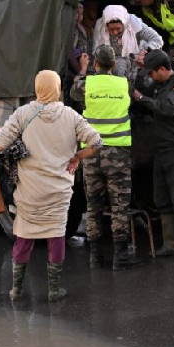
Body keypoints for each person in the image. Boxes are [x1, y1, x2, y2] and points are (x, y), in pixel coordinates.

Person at [0, 70, 103, 303]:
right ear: (57, 88)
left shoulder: (23, 113)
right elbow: (96, 142)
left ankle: (16, 290)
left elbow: (0, 144)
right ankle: (54, 290)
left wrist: (21, 149)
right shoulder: (71, 115)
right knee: (56, 235)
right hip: (59, 190)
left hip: (29, 190)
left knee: (24, 236)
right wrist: (77, 157)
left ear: (37, 88)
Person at [69, 45, 143, 271]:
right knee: (119, 207)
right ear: (113, 64)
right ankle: (120, 256)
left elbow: (73, 94)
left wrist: (82, 70)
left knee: (94, 207)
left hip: (92, 156)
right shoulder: (124, 84)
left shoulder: (86, 85)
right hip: (118, 156)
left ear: (95, 64)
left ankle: (95, 257)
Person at [133, 49, 174, 263]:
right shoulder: (159, 84)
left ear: (162, 69)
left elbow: (169, 108)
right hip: (161, 150)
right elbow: (143, 86)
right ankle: (171, 244)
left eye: (152, 72)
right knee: (161, 198)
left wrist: (142, 99)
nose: (151, 77)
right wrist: (140, 70)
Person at [92, 5, 163, 78]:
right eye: (111, 29)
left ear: (124, 24)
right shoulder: (101, 28)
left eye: (118, 28)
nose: (115, 32)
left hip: (138, 65)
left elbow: (157, 39)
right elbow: (96, 51)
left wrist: (146, 52)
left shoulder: (134, 25)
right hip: (114, 71)